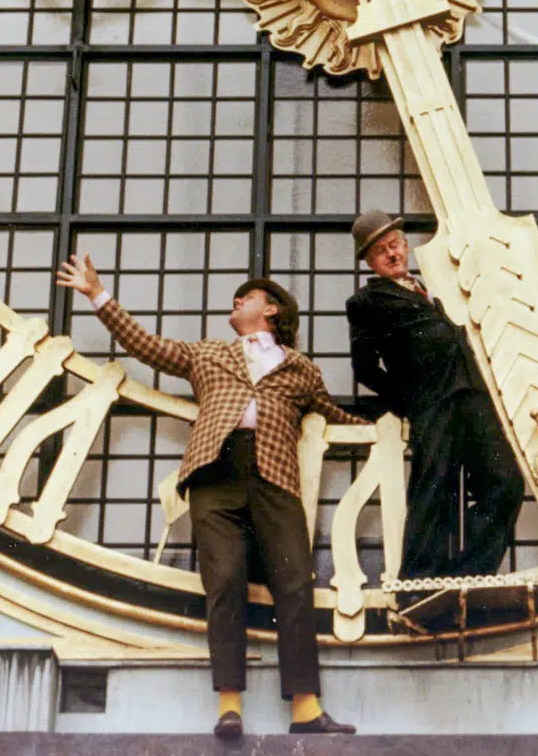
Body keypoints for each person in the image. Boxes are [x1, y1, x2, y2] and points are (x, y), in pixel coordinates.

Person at [57, 254, 361, 739]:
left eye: (248, 296)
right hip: (215, 475)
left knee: (295, 586)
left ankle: (306, 709)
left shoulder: (301, 369)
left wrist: (397, 433)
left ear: (272, 311)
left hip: (275, 479)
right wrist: (97, 294)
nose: (237, 299)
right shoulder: (209, 353)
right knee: (224, 584)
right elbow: (147, 346)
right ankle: (229, 705)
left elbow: (338, 420)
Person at [345, 211, 523, 581]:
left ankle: (470, 574)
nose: (391, 254)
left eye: (394, 244)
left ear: (406, 244)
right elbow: (364, 369)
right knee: (434, 486)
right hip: (432, 403)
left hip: (473, 395)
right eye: (380, 251)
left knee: (505, 481)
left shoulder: (433, 290)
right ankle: (420, 579)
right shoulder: (366, 301)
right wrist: (410, 399)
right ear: (370, 262)